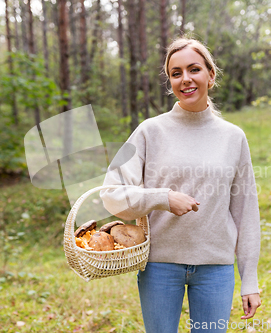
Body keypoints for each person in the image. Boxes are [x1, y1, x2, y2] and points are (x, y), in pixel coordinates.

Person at [100, 35, 261, 333]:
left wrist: (249, 279)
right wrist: (163, 198)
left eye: (194, 69)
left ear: (211, 76)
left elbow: (245, 211)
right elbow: (111, 194)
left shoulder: (233, 137)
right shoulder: (149, 131)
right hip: (160, 267)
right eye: (176, 73)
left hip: (216, 268)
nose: (185, 79)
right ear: (170, 81)